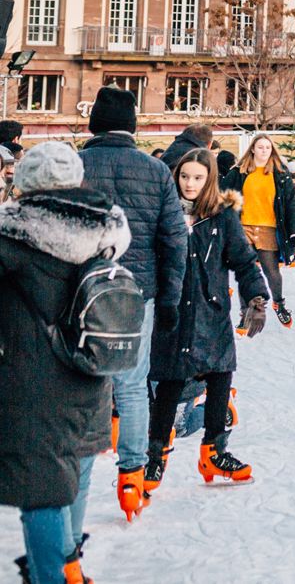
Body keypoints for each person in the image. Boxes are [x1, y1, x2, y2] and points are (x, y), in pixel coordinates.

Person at [1, 142, 130, 584]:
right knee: (65, 480)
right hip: (90, 375)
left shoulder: (12, 237)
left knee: (42, 495)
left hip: (30, 382)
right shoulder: (104, 230)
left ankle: (50, 575)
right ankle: (61, 565)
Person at [77, 83, 186, 522]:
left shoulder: (77, 164)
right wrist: (171, 297)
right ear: (132, 125)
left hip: (82, 293)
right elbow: (174, 239)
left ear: (94, 124)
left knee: (83, 384)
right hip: (136, 293)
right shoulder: (156, 170)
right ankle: (131, 476)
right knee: (133, 384)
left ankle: (78, 472)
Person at [147, 150, 270, 490]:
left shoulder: (221, 216)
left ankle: (214, 451)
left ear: (209, 180)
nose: (190, 183)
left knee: (220, 376)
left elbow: (243, 260)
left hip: (210, 307)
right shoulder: (164, 212)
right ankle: (154, 455)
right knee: (170, 381)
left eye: (198, 178)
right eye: (185, 176)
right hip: (172, 309)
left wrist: (256, 296)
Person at [220, 132, 295, 330]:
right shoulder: (239, 172)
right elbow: (223, 197)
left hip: (268, 228)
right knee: (246, 270)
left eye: (267, 147)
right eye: (260, 147)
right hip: (243, 227)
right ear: (253, 149)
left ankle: (279, 303)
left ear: (272, 150)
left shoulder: (280, 174)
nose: (264, 151)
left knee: (271, 271)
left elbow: (294, 204)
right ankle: (245, 313)